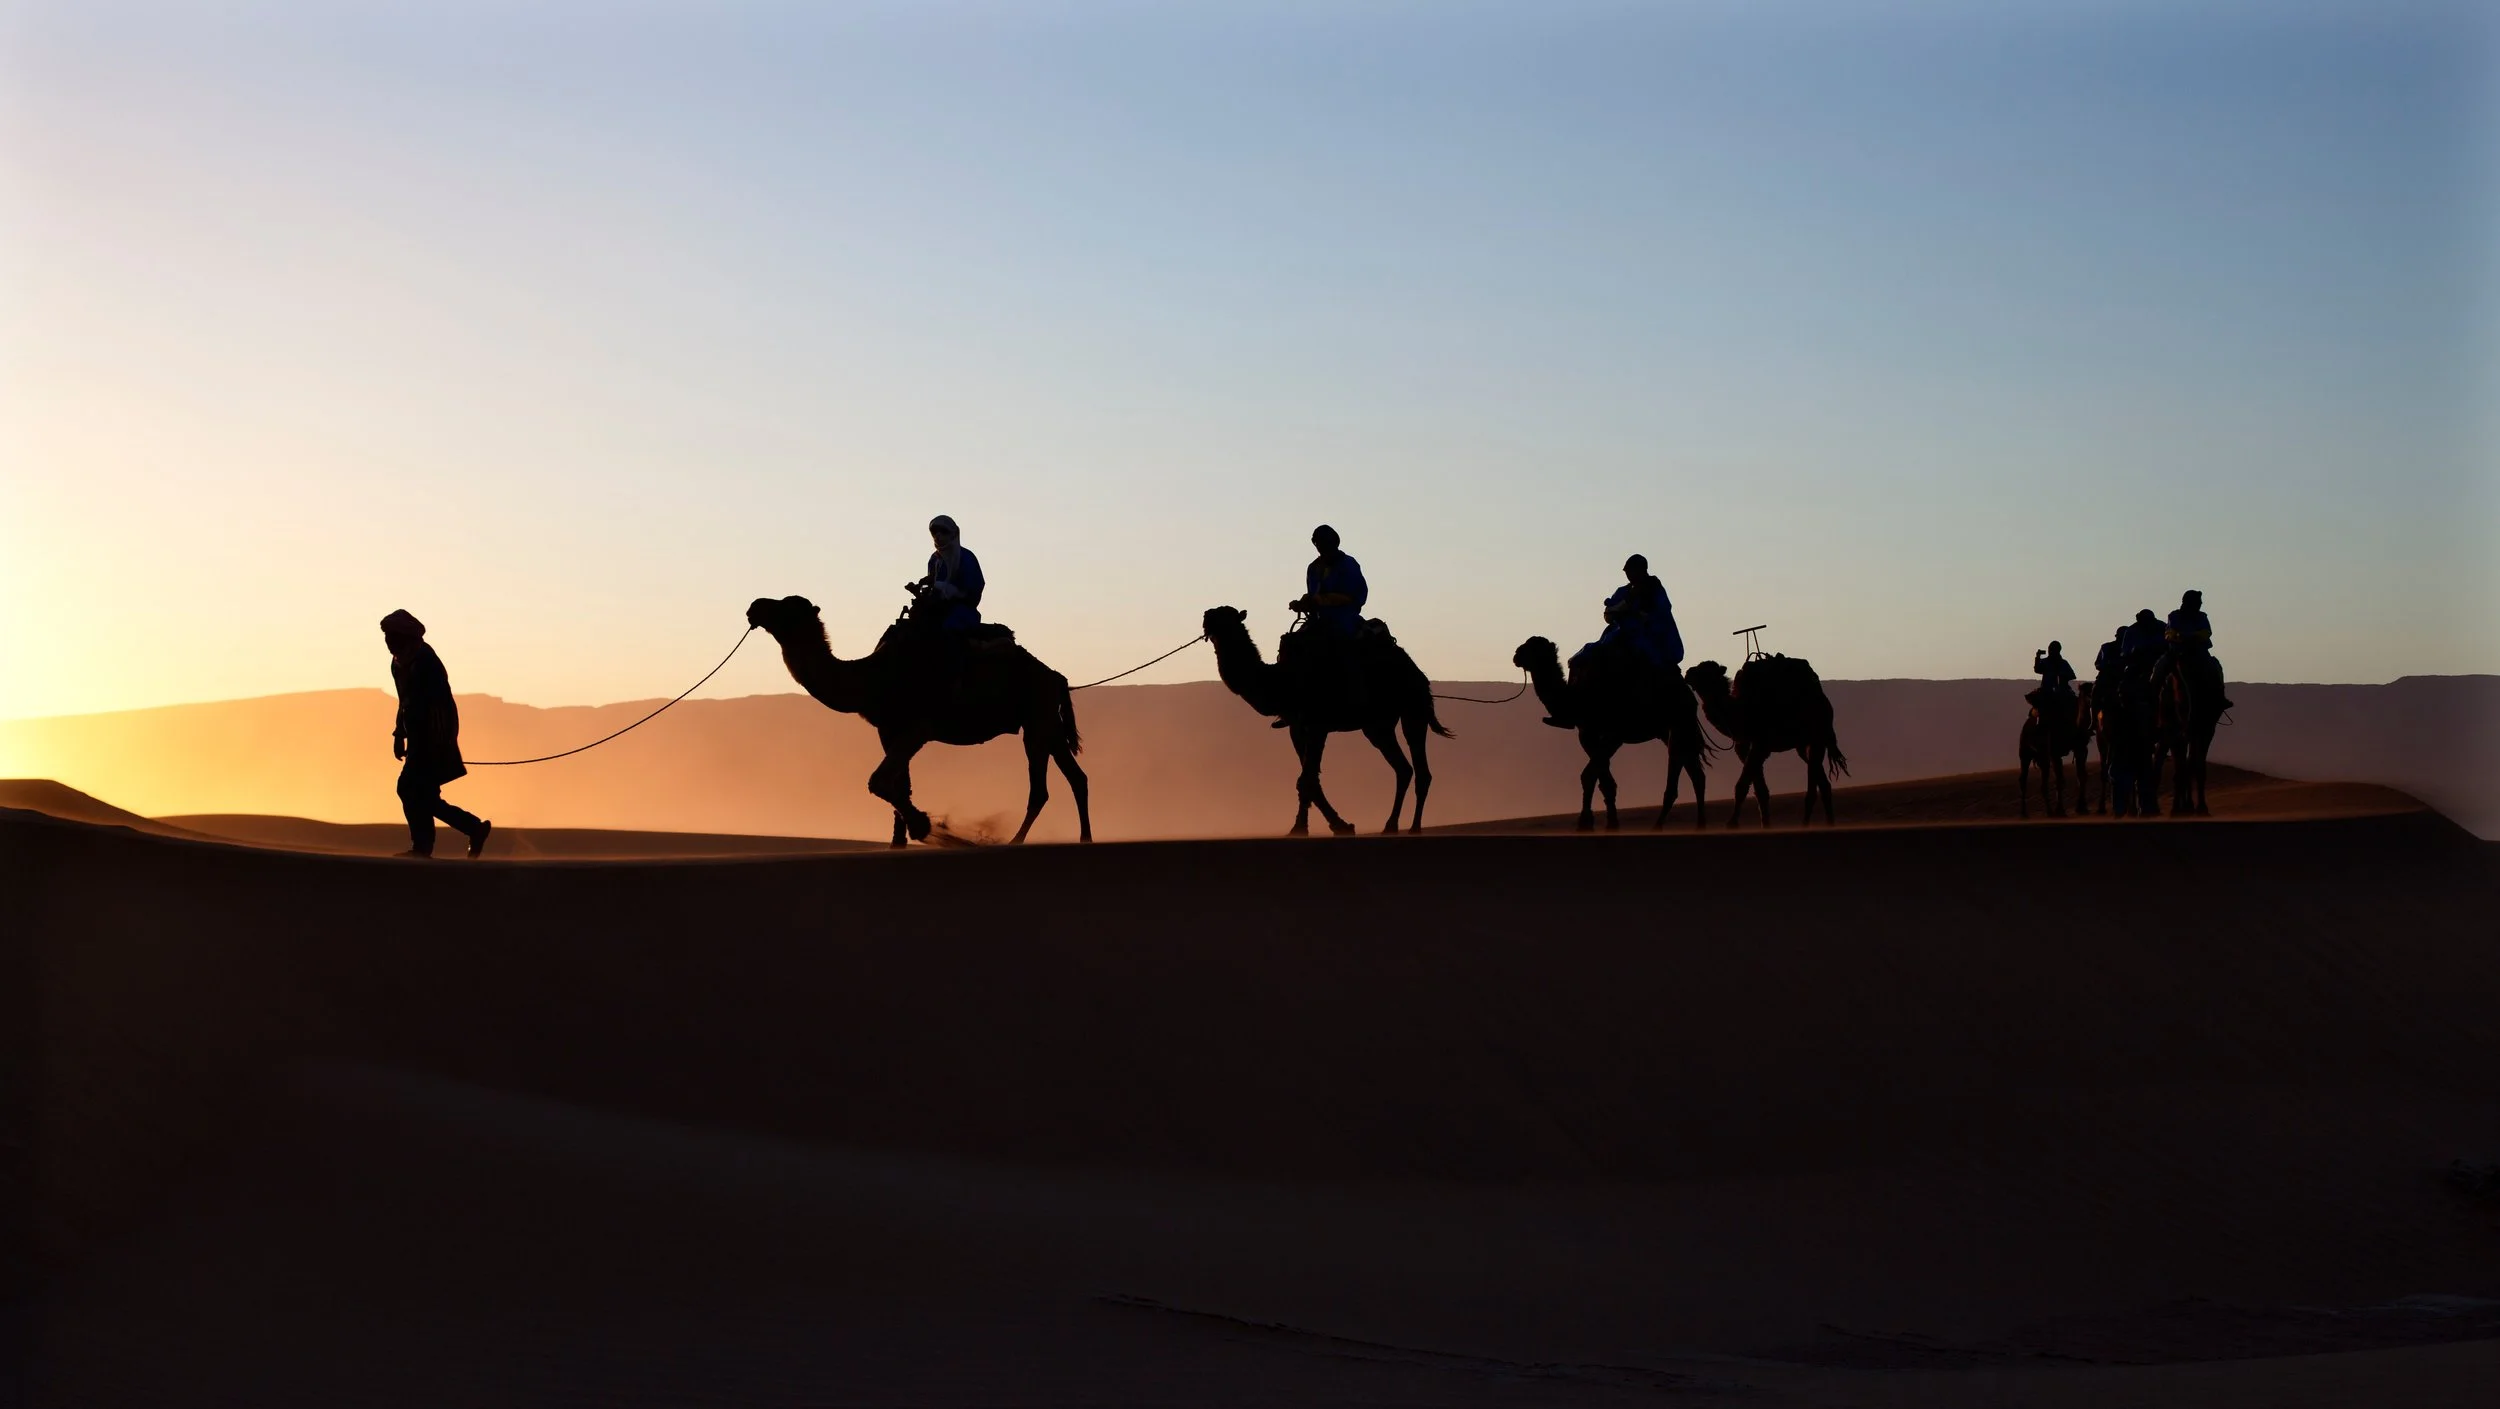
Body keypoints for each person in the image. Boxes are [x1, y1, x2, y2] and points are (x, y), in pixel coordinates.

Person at [382, 609, 491, 859]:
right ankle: (472, 829)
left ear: (404, 637)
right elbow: (404, 701)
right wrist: (400, 734)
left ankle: (424, 847)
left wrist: (438, 742)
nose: (388, 643)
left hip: (434, 734)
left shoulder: (425, 660)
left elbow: (439, 703)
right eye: (386, 637)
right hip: (417, 734)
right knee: (421, 794)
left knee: (409, 788)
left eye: (392, 637)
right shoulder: (399, 663)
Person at [1594, 554, 1683, 670]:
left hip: (1652, 642)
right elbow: (1608, 615)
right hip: (1621, 637)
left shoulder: (1655, 589)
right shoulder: (1623, 592)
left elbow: (1660, 614)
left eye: (1633, 571)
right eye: (1628, 571)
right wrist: (1620, 608)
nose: (1630, 575)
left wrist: (1639, 614)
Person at [1290, 524, 1368, 638]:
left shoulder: (1348, 564)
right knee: (1291, 643)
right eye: (1316, 542)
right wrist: (1303, 603)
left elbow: (1354, 597)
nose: (1319, 545)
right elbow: (1313, 596)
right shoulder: (1313, 568)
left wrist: (1320, 600)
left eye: (1322, 541)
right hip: (1316, 622)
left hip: (1344, 622)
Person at [911, 515, 984, 632]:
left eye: (943, 531)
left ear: (953, 534)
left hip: (961, 611)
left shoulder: (966, 557)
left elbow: (972, 590)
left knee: (948, 630)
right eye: (934, 532)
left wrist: (945, 588)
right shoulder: (934, 560)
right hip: (937, 608)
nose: (938, 535)